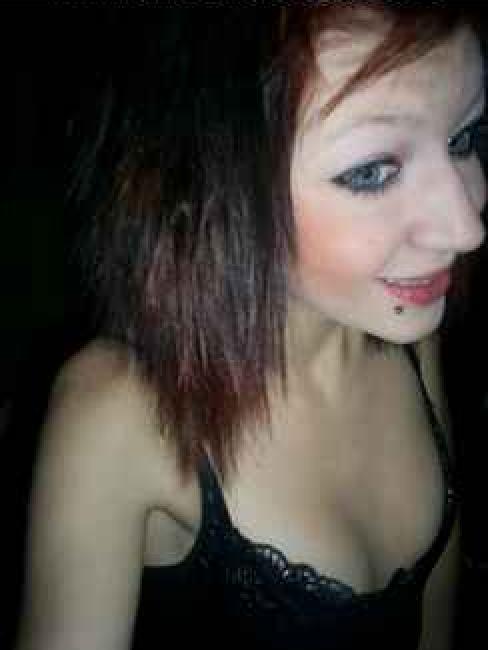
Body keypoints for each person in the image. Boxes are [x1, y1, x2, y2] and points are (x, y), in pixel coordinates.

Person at [14, 4, 487, 650]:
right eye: (372, 171)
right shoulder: (119, 416)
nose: (465, 227)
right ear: (216, 180)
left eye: (464, 138)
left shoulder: (406, 337)